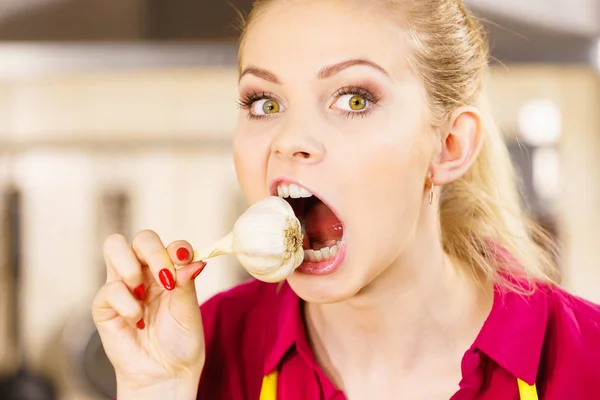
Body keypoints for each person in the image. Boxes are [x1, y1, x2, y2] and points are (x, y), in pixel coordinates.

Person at [91, 0, 600, 399]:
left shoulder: (586, 362)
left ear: (449, 146)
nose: (289, 139)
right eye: (264, 103)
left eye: (354, 99)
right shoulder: (207, 350)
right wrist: (157, 391)